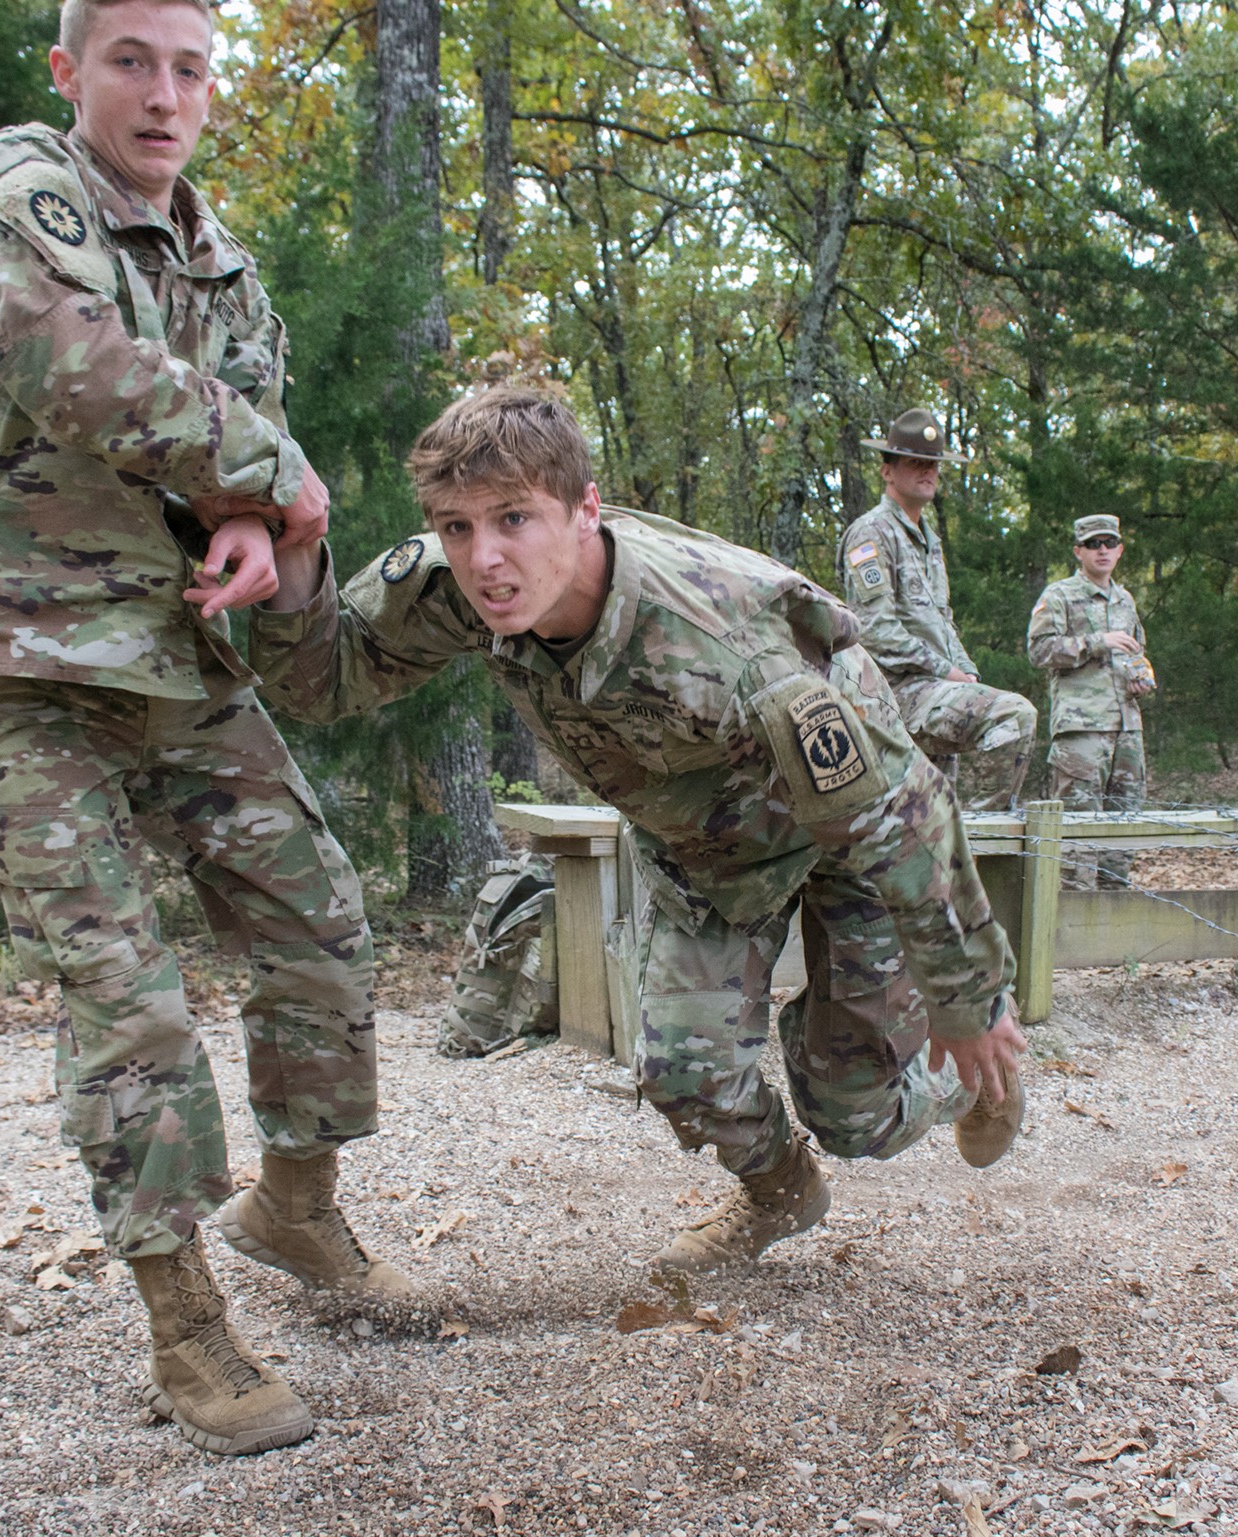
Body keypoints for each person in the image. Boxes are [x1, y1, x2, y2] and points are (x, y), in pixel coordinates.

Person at [0, 0, 413, 1457]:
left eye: (190, 68)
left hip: (180, 670)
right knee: (129, 1002)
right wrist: (284, 478)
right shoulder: (18, 184)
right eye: (131, 60)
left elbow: (233, 459)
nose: (162, 93)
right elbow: (71, 367)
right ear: (71, 72)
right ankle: (184, 1322)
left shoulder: (224, 270)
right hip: (25, 670)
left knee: (319, 916)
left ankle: (297, 1211)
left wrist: (255, 524)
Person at [250, 386, 1029, 1273]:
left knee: (856, 1115)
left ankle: (972, 1077)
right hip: (712, 854)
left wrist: (972, 1001)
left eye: (514, 519)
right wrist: (297, 555)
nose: (486, 559)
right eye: (457, 527)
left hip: (846, 839)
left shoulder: (730, 645)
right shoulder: (462, 586)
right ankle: (781, 1196)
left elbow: (901, 814)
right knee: (687, 1080)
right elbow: (322, 684)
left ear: (585, 511)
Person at [835, 408, 1036, 811]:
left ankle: (963, 838)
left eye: (933, 464)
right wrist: (946, 671)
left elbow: (943, 624)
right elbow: (873, 630)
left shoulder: (929, 541)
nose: (927, 471)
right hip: (895, 694)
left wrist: (967, 671)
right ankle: (984, 827)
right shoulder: (872, 533)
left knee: (929, 821)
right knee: (1015, 715)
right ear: (887, 471)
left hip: (934, 691)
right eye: (915, 463)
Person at [1026, 513, 1153, 885]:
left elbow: (1137, 653)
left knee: (1122, 839)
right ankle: (1069, 932)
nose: (1102, 550)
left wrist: (1140, 680)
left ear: (1120, 550)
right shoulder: (1059, 595)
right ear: (1078, 551)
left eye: (1109, 543)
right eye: (1094, 544)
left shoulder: (1125, 600)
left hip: (1127, 729)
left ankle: (1111, 933)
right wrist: (1098, 642)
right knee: (1078, 843)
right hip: (1082, 731)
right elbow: (1040, 652)